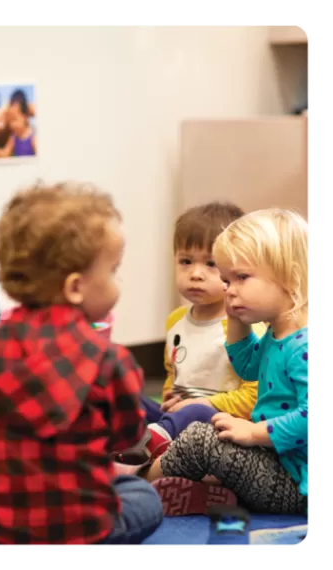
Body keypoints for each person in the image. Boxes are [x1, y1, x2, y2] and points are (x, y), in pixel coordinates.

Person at [0, 182, 164, 546]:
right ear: (76, 287)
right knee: (143, 497)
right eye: (113, 271)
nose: (117, 282)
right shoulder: (108, 360)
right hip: (79, 531)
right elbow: (127, 436)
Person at [146, 209, 309, 517]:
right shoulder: (279, 332)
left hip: (296, 481)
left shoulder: (304, 345)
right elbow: (248, 366)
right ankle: (200, 491)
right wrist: (235, 319)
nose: (228, 290)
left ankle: (134, 486)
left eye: (241, 278)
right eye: (225, 280)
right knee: (206, 430)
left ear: (291, 276)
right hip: (276, 458)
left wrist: (254, 433)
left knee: (199, 439)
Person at [113, 202, 265, 475]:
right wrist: (168, 399)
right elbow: (174, 373)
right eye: (186, 261)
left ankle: (137, 462)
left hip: (218, 424)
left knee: (193, 414)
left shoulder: (247, 326)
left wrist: (201, 404)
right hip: (176, 419)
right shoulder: (176, 320)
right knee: (129, 399)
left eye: (211, 264)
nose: (195, 273)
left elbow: (254, 398)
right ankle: (129, 449)